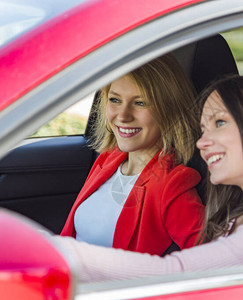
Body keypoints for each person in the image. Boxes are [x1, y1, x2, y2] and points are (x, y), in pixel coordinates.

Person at [53, 74, 243, 282]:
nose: (202, 142)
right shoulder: (233, 220)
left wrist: (51, 251)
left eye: (220, 123)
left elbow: (178, 275)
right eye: (203, 129)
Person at [60, 54, 205, 256]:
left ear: (169, 109)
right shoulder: (108, 159)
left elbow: (210, 260)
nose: (123, 115)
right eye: (115, 100)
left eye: (140, 103)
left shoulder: (172, 186)